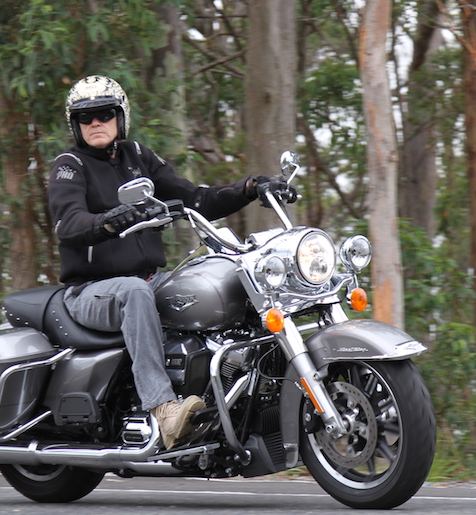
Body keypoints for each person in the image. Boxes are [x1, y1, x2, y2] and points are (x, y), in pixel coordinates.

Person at [47, 75, 292, 450]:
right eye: (86, 117)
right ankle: (164, 410)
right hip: (90, 292)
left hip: (148, 280)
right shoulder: (70, 165)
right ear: (75, 124)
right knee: (134, 293)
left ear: (120, 117)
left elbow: (196, 199)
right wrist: (111, 219)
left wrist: (250, 187)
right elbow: (69, 223)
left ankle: (239, 397)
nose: (95, 123)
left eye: (104, 114)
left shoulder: (138, 156)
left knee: (222, 278)